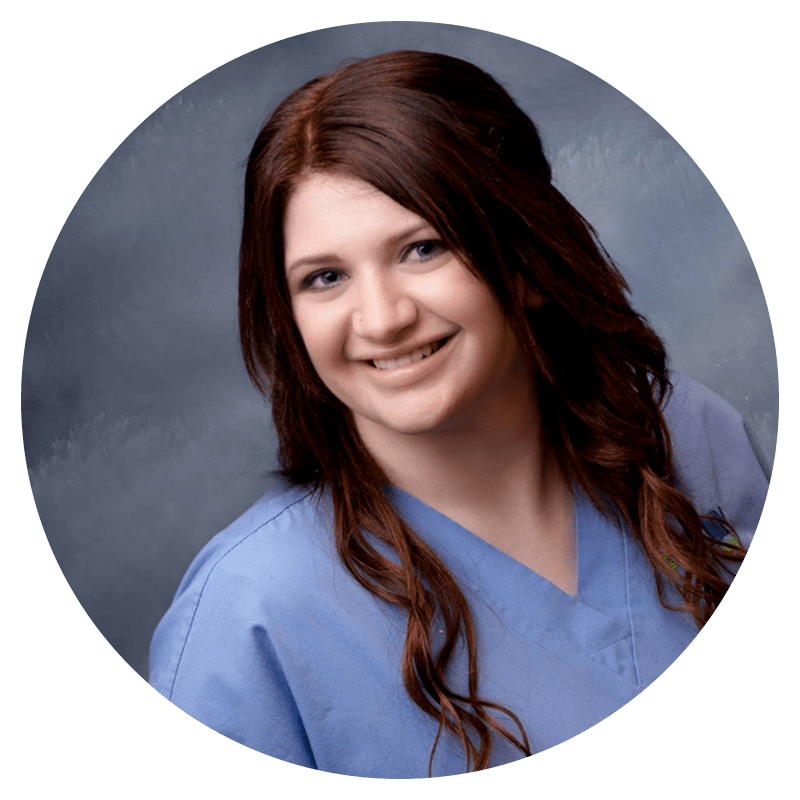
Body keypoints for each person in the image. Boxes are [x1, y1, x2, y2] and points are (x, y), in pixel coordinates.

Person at [148, 51, 769, 778]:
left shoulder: (686, 435)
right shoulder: (250, 614)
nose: (382, 319)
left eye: (422, 248)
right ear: (286, 316)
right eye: (325, 278)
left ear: (527, 259)